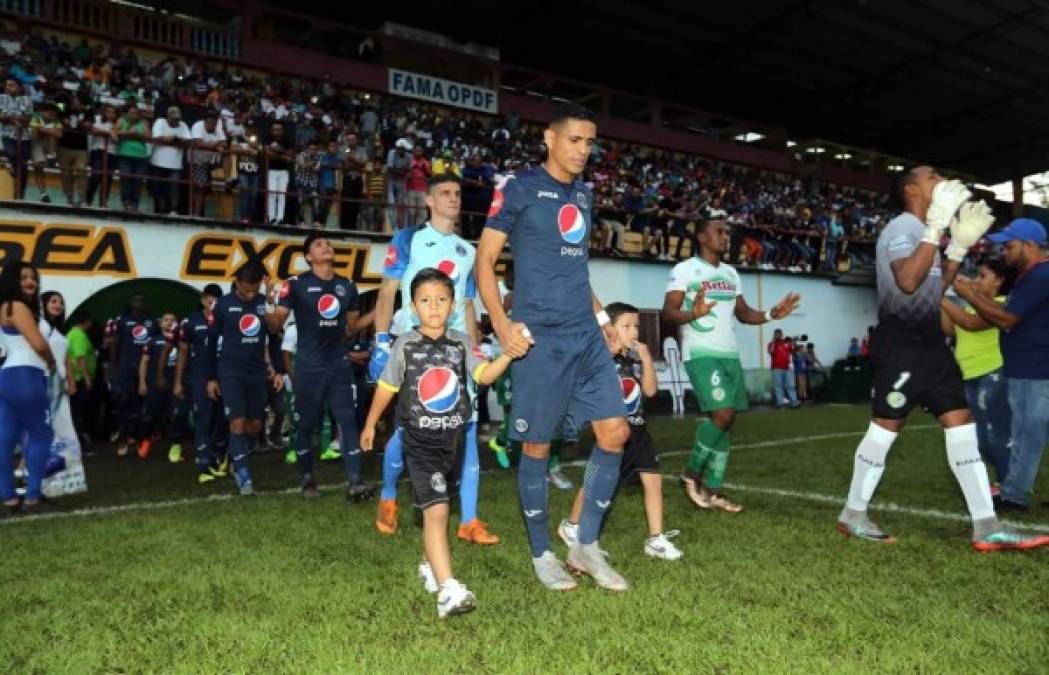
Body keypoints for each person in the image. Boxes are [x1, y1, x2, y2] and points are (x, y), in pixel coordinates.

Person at [837, 167, 1049, 551]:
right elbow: (907, 282)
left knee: (962, 423)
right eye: (932, 177)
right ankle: (853, 513)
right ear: (912, 190)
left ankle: (987, 526)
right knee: (885, 428)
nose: (941, 181)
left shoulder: (925, 234)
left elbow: (935, 287)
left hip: (932, 347)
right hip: (901, 345)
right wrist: (935, 229)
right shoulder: (904, 228)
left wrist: (957, 248)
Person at [475, 103, 632, 592]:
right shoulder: (519, 188)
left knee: (615, 434)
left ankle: (584, 545)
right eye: (575, 141)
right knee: (538, 447)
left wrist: (603, 318)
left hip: (585, 335)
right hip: (539, 337)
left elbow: (576, 271)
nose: (584, 150)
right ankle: (543, 552)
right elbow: (484, 262)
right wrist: (501, 324)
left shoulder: (584, 195)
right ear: (549, 139)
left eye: (590, 142)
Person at [360, 268, 515, 619]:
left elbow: (483, 375)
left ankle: (430, 564)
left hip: (455, 440)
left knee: (438, 507)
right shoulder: (406, 344)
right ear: (413, 307)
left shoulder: (461, 342)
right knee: (438, 511)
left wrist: (508, 354)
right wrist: (370, 424)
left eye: (441, 300)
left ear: (453, 305)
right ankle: (448, 590)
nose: (434, 307)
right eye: (426, 301)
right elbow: (387, 387)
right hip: (419, 442)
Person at [368, 174, 497, 544]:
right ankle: (389, 495)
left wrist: (473, 347)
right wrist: (380, 342)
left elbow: (469, 305)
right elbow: (387, 291)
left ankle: (468, 521)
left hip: (454, 349)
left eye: (457, 194)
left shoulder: (467, 250)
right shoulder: (407, 239)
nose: (454, 199)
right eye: (445, 193)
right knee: (410, 428)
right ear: (428, 200)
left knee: (467, 424)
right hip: (413, 347)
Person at [663, 219, 800, 514]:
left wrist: (771, 314)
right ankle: (690, 474)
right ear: (701, 236)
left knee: (725, 421)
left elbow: (744, 313)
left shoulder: (730, 273)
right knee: (722, 415)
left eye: (727, 232)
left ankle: (713, 492)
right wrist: (693, 312)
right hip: (701, 352)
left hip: (729, 354)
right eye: (719, 232)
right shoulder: (685, 270)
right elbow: (669, 313)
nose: (726, 237)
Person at [558, 302, 683, 560]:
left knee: (653, 482)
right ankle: (571, 525)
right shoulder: (600, 359)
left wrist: (647, 359)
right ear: (609, 330)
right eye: (625, 326)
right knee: (595, 483)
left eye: (636, 326)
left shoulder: (632, 361)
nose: (633, 331)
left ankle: (656, 539)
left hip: (639, 433)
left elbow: (649, 391)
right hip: (612, 434)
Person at [264, 234, 370, 499]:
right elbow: (275, 326)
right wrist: (268, 301)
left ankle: (355, 482)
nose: (327, 246)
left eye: (328, 243)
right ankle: (308, 479)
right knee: (306, 425)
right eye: (319, 245)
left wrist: (377, 313)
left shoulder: (347, 286)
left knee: (347, 421)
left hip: (338, 365)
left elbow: (350, 329)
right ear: (308, 257)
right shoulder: (295, 285)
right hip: (309, 367)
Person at [953, 218, 1049, 511]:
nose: (1004, 252)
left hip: (1035, 366)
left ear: (1030, 245)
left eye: (1009, 246)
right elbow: (1007, 313)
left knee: (1026, 432)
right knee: (1027, 431)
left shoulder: (1041, 274)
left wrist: (970, 295)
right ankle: (1013, 490)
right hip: (1030, 364)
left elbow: (1007, 319)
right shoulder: (1032, 274)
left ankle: (1014, 494)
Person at [208, 264, 284, 495]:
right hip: (230, 371)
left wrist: (270, 301)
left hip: (256, 372)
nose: (251, 294)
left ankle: (236, 455)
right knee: (237, 423)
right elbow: (212, 342)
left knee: (254, 426)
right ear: (238, 283)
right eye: (247, 289)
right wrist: (212, 377)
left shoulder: (263, 302)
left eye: (255, 289)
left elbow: (274, 330)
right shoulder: (222, 305)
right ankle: (243, 474)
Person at [940, 259, 1014, 488]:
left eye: (982, 276)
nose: (976, 280)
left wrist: (938, 294)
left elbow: (971, 324)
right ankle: (1006, 480)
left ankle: (1008, 484)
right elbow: (950, 328)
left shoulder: (1003, 304)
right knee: (981, 439)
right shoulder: (975, 305)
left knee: (996, 435)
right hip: (970, 375)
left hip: (993, 372)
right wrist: (941, 300)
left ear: (999, 281)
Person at [0, 262, 56, 514]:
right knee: (42, 434)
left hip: (10, 375)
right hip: (27, 375)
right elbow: (40, 345)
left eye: (33, 277)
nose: (30, 282)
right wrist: (52, 362)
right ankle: (33, 495)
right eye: (23, 278)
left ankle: (9, 496)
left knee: (5, 439)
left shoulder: (8, 307)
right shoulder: (17, 306)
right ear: (12, 280)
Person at [174, 283, 229, 483]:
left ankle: (217, 456)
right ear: (202, 299)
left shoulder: (226, 320)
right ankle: (203, 464)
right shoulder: (190, 321)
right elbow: (182, 352)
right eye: (208, 297)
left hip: (224, 375)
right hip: (199, 376)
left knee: (223, 418)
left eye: (216, 298)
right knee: (203, 418)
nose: (211, 301)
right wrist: (178, 382)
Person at [108, 293, 159, 457]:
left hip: (146, 370)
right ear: (130, 303)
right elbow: (115, 343)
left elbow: (157, 344)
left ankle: (140, 440)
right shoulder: (122, 320)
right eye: (136, 300)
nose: (139, 303)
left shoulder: (152, 322)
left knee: (143, 406)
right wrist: (112, 366)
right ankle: (123, 439)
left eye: (142, 300)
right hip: (125, 369)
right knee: (124, 405)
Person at [136, 312, 177, 459]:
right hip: (155, 385)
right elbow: (144, 362)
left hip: (174, 385)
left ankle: (175, 447)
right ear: (160, 323)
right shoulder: (153, 340)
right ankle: (146, 441)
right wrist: (142, 382)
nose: (169, 322)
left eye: (172, 320)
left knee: (174, 417)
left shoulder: (181, 340)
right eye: (166, 320)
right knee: (149, 416)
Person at [150, 105, 191, 215]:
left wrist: (173, 139)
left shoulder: (183, 125)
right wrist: (170, 140)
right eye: (173, 118)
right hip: (158, 162)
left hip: (175, 165)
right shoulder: (160, 122)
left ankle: (173, 210)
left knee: (174, 188)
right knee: (159, 188)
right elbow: (156, 138)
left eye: (177, 119)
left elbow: (188, 142)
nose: (176, 121)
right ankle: (161, 211)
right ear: (167, 116)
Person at [188, 111, 227, 217]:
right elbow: (199, 142)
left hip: (211, 161)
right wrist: (215, 145)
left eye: (213, 123)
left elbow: (224, 143)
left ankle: (203, 213)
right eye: (209, 123)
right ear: (204, 122)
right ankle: (196, 214)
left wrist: (213, 145)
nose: (211, 126)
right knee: (199, 187)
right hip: (196, 160)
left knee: (207, 187)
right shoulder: (197, 126)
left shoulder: (218, 127)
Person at [66, 313, 96, 445]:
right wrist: (87, 378)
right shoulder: (79, 335)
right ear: (87, 322)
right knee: (80, 411)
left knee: (76, 409)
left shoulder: (71, 333)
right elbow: (80, 358)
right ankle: (78, 439)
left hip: (75, 377)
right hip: (79, 379)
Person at [115, 104, 150, 212]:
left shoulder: (143, 122)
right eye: (131, 113)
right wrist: (129, 133)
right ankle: (126, 202)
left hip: (140, 156)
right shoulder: (121, 120)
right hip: (124, 155)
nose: (133, 115)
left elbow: (148, 136)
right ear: (127, 114)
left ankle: (135, 204)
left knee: (138, 181)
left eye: (136, 113)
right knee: (125, 178)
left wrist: (137, 135)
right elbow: (115, 132)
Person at [85, 104, 118, 207]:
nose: (111, 114)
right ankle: (88, 201)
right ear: (104, 111)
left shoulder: (118, 123)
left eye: (113, 112)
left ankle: (103, 203)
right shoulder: (97, 118)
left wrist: (112, 133)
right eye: (108, 111)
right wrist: (109, 133)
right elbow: (93, 130)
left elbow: (120, 135)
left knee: (108, 178)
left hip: (112, 153)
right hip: (98, 150)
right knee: (96, 176)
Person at [263, 121, 292, 224]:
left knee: (281, 194)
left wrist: (279, 151)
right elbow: (267, 152)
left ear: (283, 131)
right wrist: (282, 156)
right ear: (271, 130)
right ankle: (271, 217)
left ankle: (280, 218)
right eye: (275, 129)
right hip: (271, 170)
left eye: (279, 130)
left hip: (284, 171)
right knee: (272, 193)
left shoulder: (287, 140)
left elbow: (290, 154)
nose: (277, 132)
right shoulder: (268, 138)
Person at [768, 328, 798, 407]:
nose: (778, 335)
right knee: (778, 386)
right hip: (776, 368)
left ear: (782, 335)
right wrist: (774, 341)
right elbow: (771, 351)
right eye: (776, 334)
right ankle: (780, 403)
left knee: (791, 386)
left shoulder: (786, 343)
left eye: (779, 334)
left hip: (787, 368)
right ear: (774, 335)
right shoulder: (771, 344)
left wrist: (794, 342)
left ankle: (794, 402)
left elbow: (793, 350)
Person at [385, 139, 411, 229]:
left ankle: (402, 226)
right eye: (402, 149)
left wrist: (401, 172)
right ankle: (394, 226)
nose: (404, 151)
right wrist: (402, 173)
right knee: (391, 204)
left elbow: (408, 171)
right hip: (391, 181)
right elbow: (390, 168)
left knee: (401, 205)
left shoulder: (408, 156)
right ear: (398, 148)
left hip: (401, 182)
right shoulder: (391, 153)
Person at [404, 145, 431, 226]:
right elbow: (406, 176)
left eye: (420, 151)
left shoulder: (426, 162)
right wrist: (411, 168)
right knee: (411, 213)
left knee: (422, 213)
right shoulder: (409, 161)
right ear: (414, 151)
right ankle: (410, 231)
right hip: (410, 189)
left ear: (422, 152)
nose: (418, 152)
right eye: (417, 150)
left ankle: (419, 232)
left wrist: (425, 169)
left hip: (422, 190)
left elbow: (430, 174)